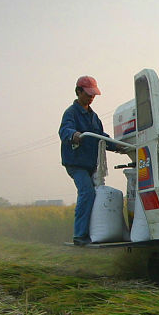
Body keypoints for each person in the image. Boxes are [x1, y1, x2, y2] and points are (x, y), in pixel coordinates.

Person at [58, 75, 115, 245]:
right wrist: (74, 135)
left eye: (93, 95)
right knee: (87, 192)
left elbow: (100, 137)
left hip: (91, 164)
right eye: (88, 94)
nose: (91, 98)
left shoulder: (94, 117)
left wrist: (118, 146)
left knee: (98, 194)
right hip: (76, 163)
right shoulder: (71, 113)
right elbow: (64, 130)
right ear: (78, 92)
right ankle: (80, 235)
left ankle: (95, 233)